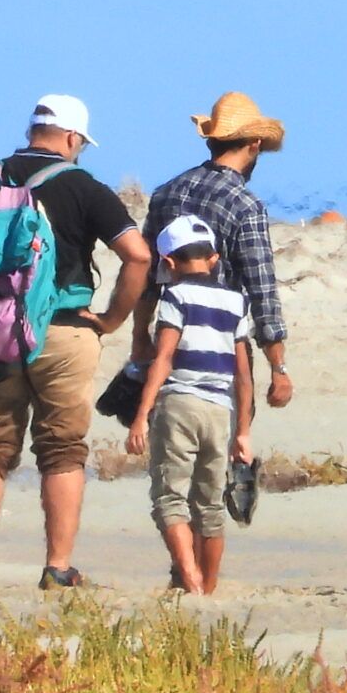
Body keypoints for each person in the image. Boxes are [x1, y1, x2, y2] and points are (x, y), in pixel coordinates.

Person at [0, 95, 150, 591]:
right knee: (62, 450)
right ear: (73, 138)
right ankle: (57, 568)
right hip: (63, 331)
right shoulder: (83, 187)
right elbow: (138, 256)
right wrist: (111, 320)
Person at [126, 215, 255, 595]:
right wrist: (243, 432)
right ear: (213, 259)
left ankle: (191, 580)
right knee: (210, 505)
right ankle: (208, 588)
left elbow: (164, 358)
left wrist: (141, 416)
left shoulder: (175, 297)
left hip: (180, 403)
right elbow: (244, 374)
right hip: (220, 409)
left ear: (167, 263)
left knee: (170, 498)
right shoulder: (236, 301)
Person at [142, 93, 295, 411]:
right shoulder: (245, 205)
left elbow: (147, 276)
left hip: (170, 340)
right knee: (222, 436)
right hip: (222, 349)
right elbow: (262, 291)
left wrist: (138, 338)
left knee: (168, 434)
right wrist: (278, 368)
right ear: (255, 144)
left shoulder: (166, 192)